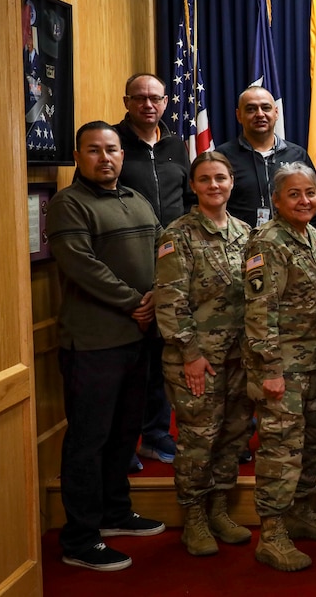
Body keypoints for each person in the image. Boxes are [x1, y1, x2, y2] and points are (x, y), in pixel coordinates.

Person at [46, 121, 165, 572]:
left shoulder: (137, 201)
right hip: (93, 343)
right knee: (88, 441)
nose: (105, 158)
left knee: (123, 435)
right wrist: (136, 301)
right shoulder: (68, 204)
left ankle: (115, 512)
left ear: (123, 154)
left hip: (138, 337)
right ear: (78, 156)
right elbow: (81, 266)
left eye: (112, 149)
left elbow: (163, 254)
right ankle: (80, 538)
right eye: (93, 150)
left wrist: (156, 295)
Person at [153, 151, 254, 557]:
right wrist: (190, 354)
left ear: (232, 183)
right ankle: (193, 515)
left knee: (233, 434)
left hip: (237, 358)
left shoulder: (246, 233)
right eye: (205, 179)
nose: (214, 185)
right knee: (198, 438)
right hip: (196, 359)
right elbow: (170, 300)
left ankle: (219, 508)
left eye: (221, 178)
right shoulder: (177, 235)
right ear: (193, 186)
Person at [242, 163, 316, 572]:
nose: (304, 200)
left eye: (310, 193)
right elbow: (260, 311)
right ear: (276, 200)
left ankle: (299, 512)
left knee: (312, 443)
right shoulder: (268, 242)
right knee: (281, 448)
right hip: (282, 367)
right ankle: (273, 532)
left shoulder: (313, 236)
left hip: (313, 362)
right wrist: (271, 369)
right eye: (294, 194)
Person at [115, 73, 193, 468]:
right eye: (139, 98)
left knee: (165, 358)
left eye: (155, 98)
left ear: (165, 102)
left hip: (174, 268)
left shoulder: (176, 146)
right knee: (130, 364)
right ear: (127, 101)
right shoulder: (113, 143)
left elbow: (190, 199)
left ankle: (156, 434)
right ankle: (124, 443)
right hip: (128, 268)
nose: (148, 104)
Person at [216, 85, 316, 231]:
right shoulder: (223, 157)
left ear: (276, 112)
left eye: (266, 108)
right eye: (251, 109)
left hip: (290, 248)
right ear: (239, 115)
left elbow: (315, 206)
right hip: (239, 249)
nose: (260, 114)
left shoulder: (297, 155)